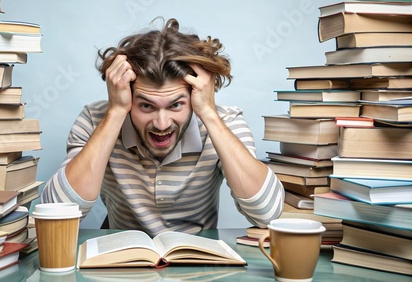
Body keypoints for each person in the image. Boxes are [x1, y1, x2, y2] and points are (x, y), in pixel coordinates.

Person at [42, 18, 284, 236]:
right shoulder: (96, 120)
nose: (161, 124)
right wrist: (116, 112)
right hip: (120, 262)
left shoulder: (224, 123)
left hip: (198, 262)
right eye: (146, 106)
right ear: (126, 95)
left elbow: (267, 214)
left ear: (195, 96)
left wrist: (209, 113)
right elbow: (54, 212)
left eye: (176, 105)